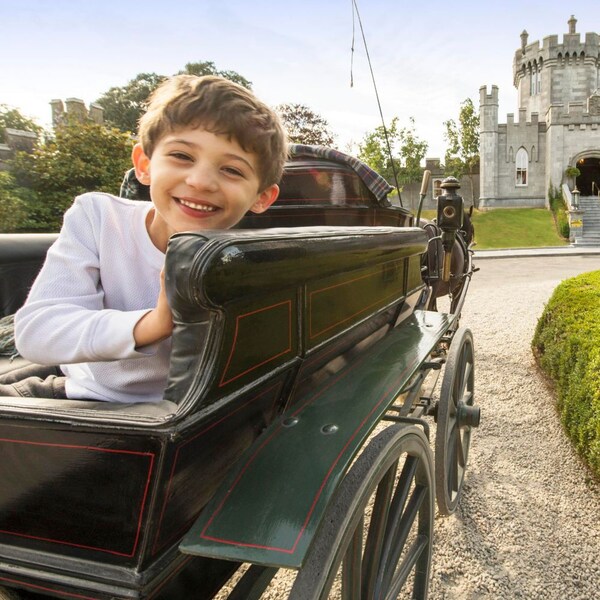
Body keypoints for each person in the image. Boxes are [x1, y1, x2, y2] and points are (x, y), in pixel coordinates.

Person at [6, 75, 287, 403]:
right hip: (83, 396)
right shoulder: (98, 217)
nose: (199, 181)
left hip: (179, 417)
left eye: (232, 170)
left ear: (261, 198)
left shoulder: (254, 264)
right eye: (182, 156)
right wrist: (154, 323)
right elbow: (37, 332)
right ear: (144, 165)